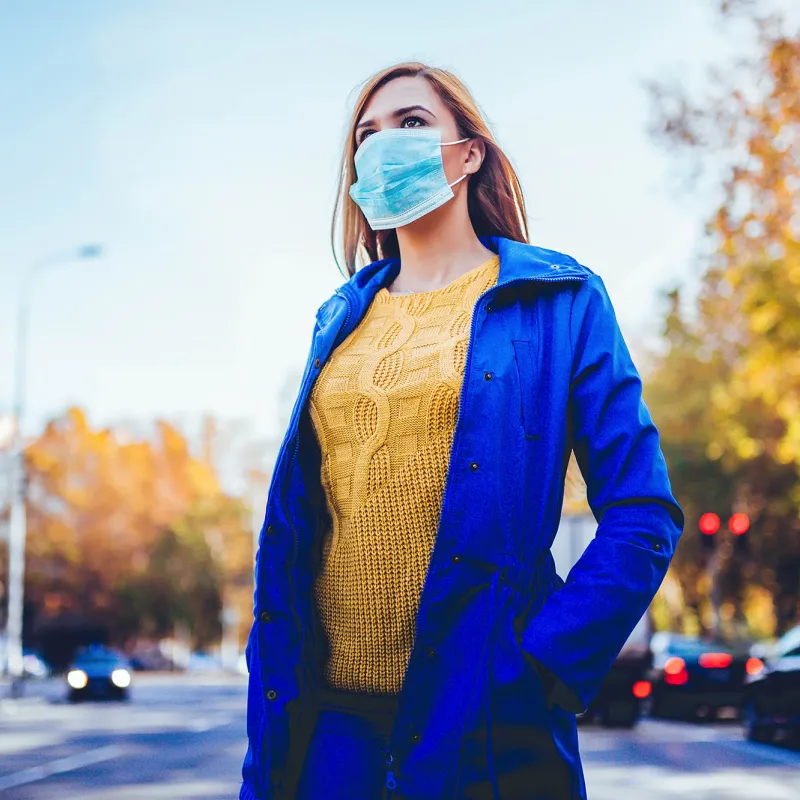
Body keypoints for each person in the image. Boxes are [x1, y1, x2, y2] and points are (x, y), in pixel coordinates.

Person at [240, 61, 684, 800]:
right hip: (330, 730)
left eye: (412, 123)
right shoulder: (337, 320)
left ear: (469, 151)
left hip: (482, 725)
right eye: (367, 135)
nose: (385, 146)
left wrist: (538, 666)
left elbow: (643, 514)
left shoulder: (560, 299)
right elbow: (298, 526)